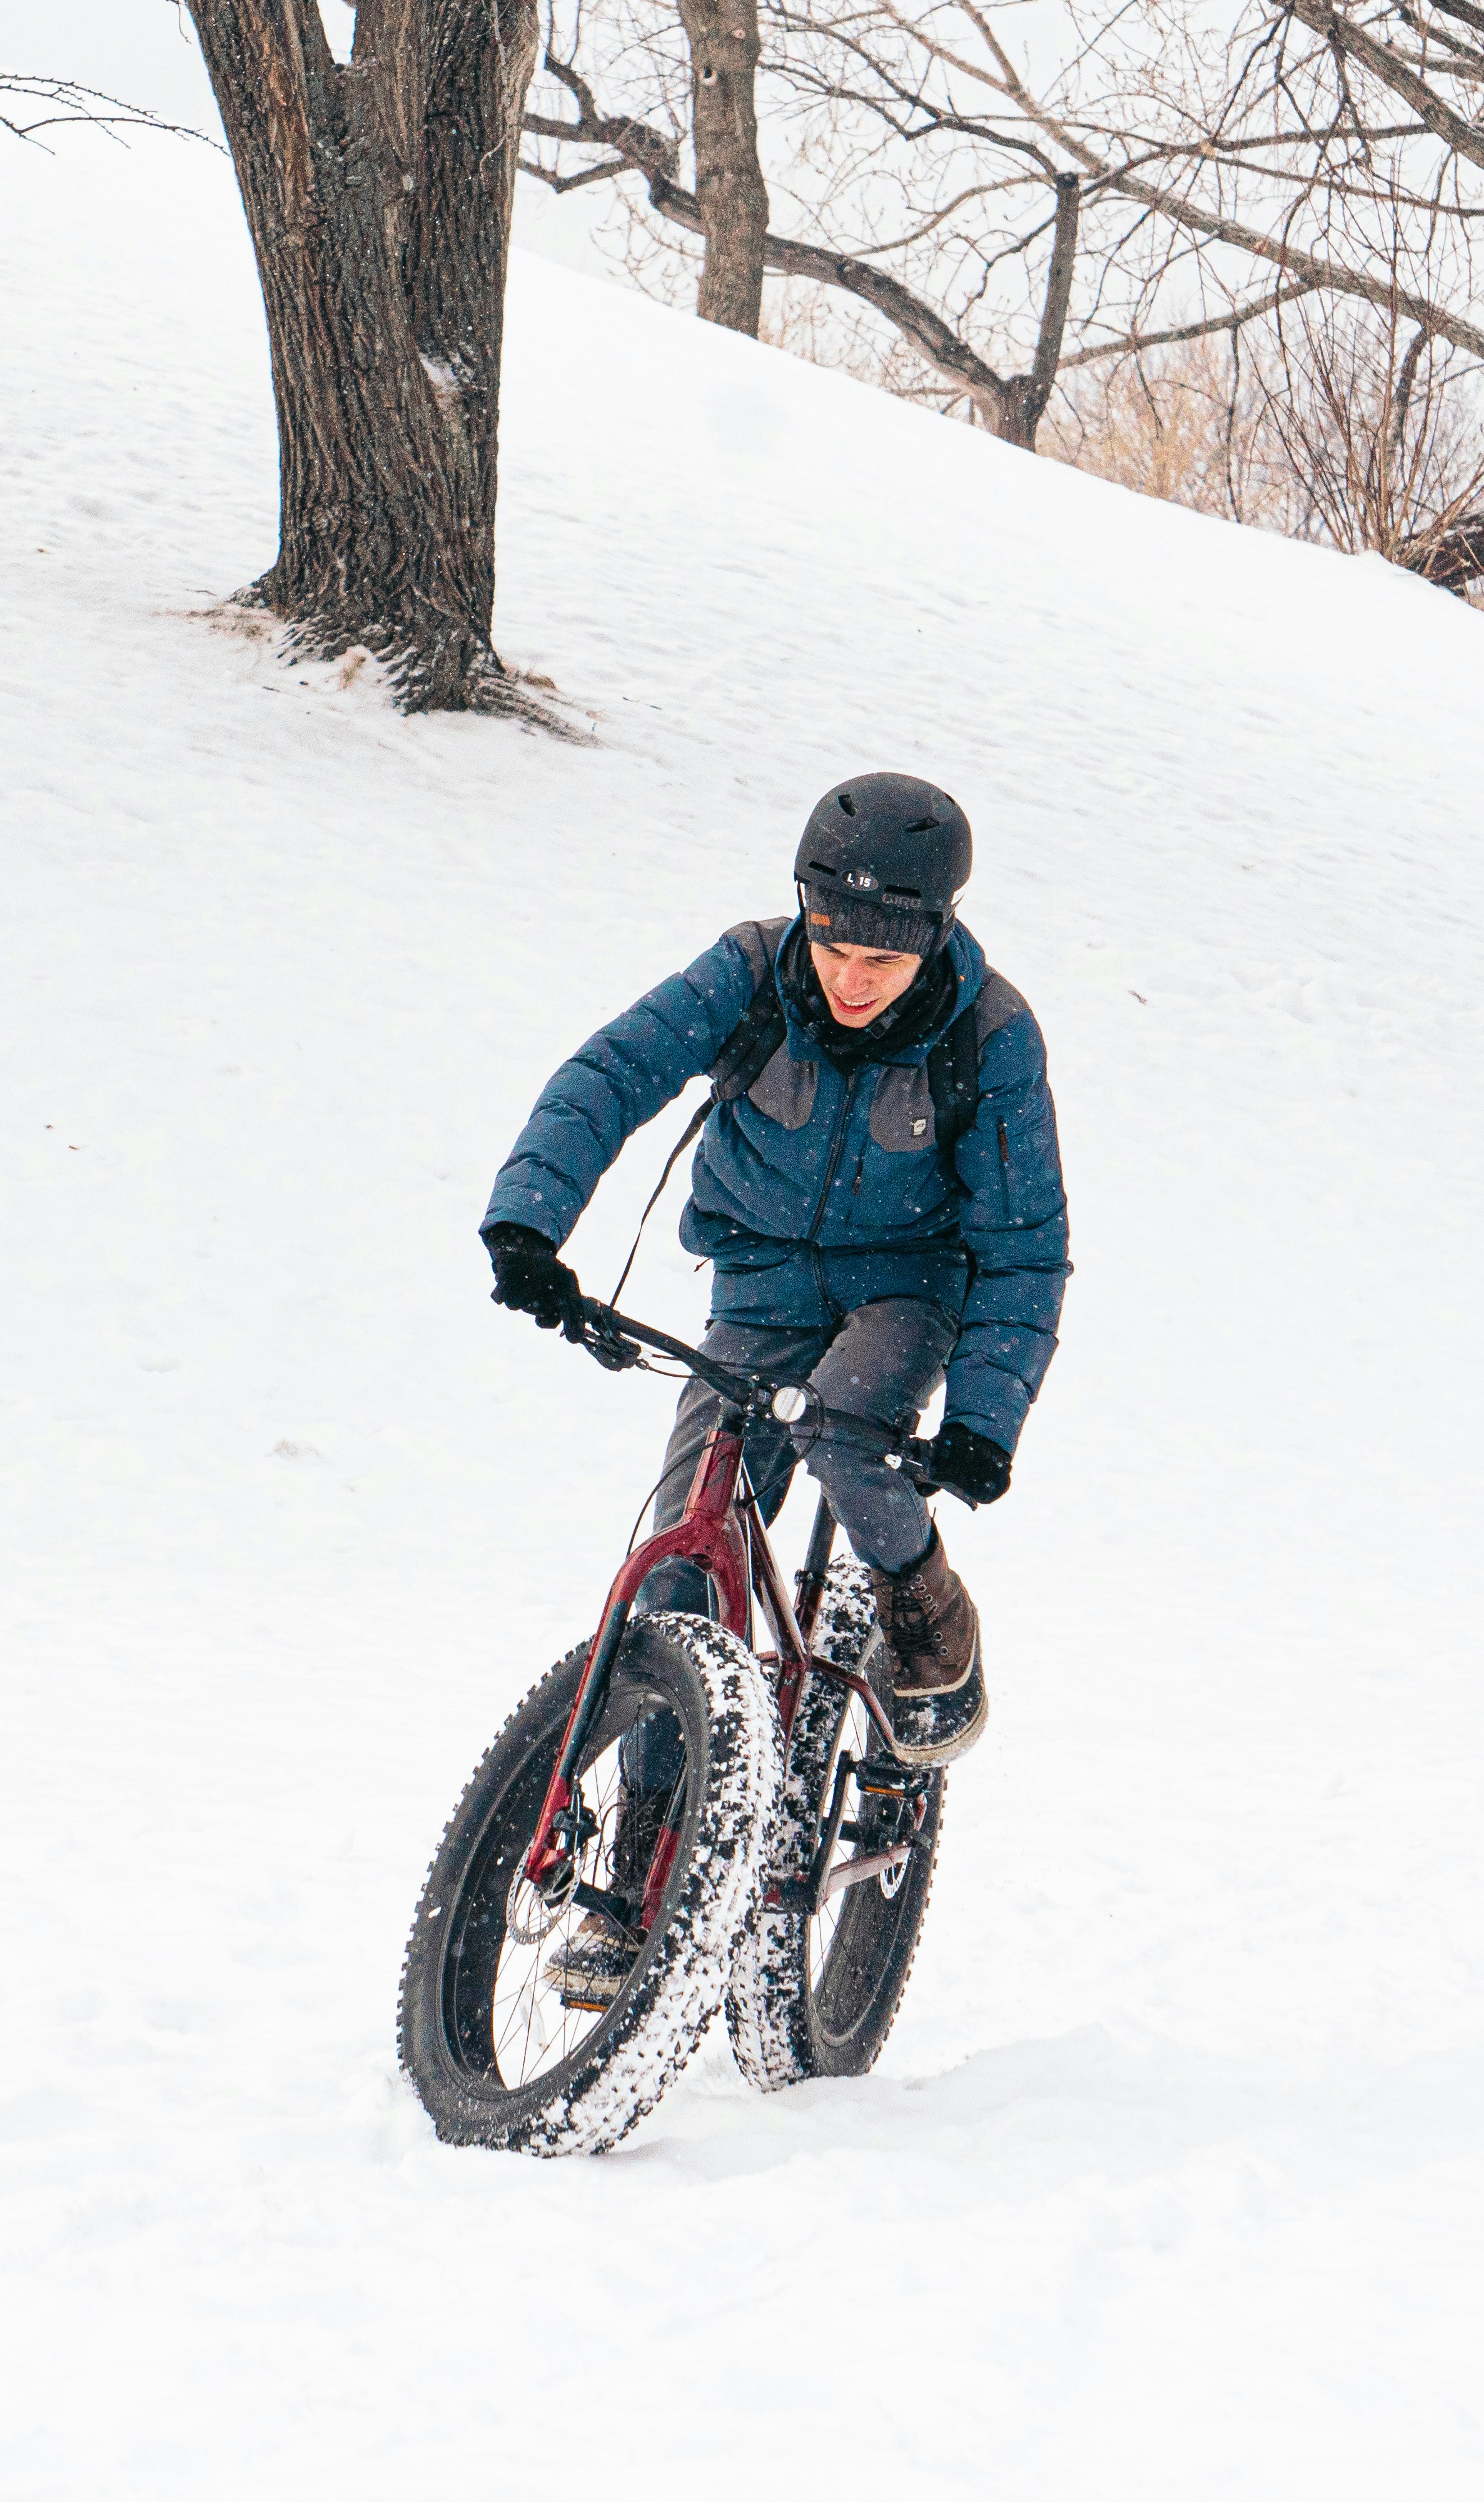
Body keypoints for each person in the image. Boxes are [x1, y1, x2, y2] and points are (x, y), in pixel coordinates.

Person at [478, 772, 1071, 2007]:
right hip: (756, 1287)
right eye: (836, 944)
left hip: (905, 1295)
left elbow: (1022, 1242)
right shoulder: (747, 972)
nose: (853, 977)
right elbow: (612, 1073)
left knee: (853, 1439)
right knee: (684, 1560)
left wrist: (981, 1423)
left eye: (885, 958)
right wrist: (532, 1224)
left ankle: (920, 1605)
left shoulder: (990, 1036)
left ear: (938, 938)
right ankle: (635, 1863)